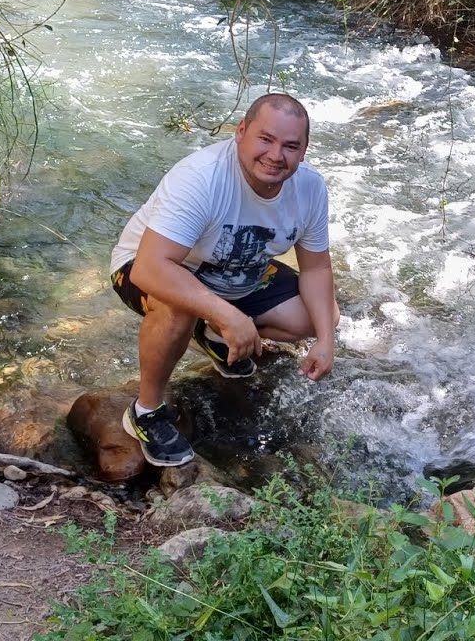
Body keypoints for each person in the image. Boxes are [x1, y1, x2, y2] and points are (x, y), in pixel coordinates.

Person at [109, 93, 339, 467]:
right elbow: (150, 269)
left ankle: (212, 333)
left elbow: (316, 269)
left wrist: (326, 341)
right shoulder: (202, 177)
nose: (276, 155)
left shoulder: (310, 188)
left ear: (304, 150)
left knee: (320, 315)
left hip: (237, 268)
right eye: (265, 139)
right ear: (241, 132)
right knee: (177, 305)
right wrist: (228, 315)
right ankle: (146, 411)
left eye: (290, 146)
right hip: (146, 263)